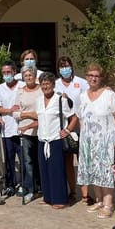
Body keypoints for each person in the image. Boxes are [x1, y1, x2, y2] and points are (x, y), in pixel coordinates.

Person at [76, 64, 115, 219]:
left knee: (105, 172)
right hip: (88, 141)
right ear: (86, 77)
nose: (93, 78)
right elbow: (81, 118)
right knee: (93, 170)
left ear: (101, 78)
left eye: (96, 76)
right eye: (90, 75)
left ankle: (108, 204)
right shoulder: (82, 96)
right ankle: (99, 200)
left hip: (106, 140)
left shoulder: (109, 95)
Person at [34, 72, 78, 209]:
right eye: (43, 84)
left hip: (56, 139)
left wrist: (67, 131)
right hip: (42, 139)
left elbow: (74, 117)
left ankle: (60, 199)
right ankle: (48, 197)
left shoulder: (60, 100)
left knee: (57, 171)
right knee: (44, 170)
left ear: (53, 85)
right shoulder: (38, 100)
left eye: (47, 83)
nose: (45, 86)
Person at [54, 56, 88, 204]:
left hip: (81, 127)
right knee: (68, 160)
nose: (65, 69)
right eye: (62, 67)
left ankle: (86, 193)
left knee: (83, 160)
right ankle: (73, 191)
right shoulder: (55, 85)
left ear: (72, 67)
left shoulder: (81, 83)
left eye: (67, 66)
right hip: (64, 128)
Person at [14, 66, 42, 203]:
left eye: (30, 75)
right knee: (27, 161)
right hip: (25, 131)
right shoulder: (20, 92)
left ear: (35, 76)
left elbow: (42, 113)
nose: (28, 77)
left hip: (41, 130)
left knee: (40, 161)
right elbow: (15, 113)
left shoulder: (42, 90)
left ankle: (41, 187)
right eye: (26, 75)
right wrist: (30, 114)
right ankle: (30, 189)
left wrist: (25, 114)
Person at [0, 61, 21, 197]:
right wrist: (9, 110)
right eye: (4, 73)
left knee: (24, 160)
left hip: (22, 129)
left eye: (8, 72)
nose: (6, 75)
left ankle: (25, 185)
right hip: (7, 129)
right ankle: (10, 185)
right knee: (9, 160)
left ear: (14, 72)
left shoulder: (22, 86)